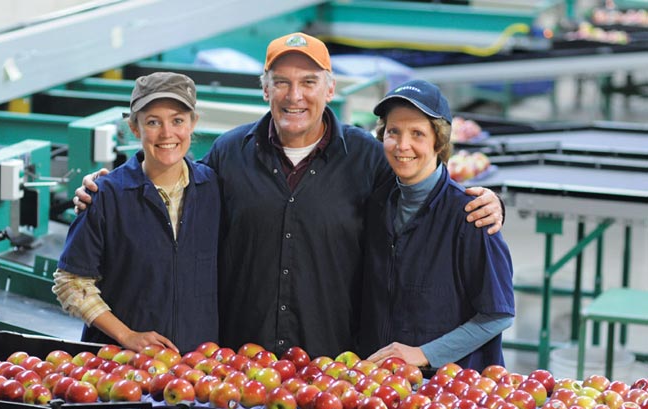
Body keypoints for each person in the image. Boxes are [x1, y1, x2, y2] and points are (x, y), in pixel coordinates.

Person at [74, 33, 504, 359]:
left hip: (334, 359)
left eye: (308, 82)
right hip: (240, 357)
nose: (294, 95)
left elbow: (421, 196)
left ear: (330, 89)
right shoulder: (228, 152)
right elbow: (172, 176)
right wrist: (106, 186)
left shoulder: (368, 159)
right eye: (281, 82)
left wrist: (486, 201)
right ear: (265, 89)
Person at [53, 72, 220, 353]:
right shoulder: (106, 194)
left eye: (178, 120)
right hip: (121, 366)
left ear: (193, 123)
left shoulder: (214, 189)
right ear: (134, 128)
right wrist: (127, 336)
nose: (167, 133)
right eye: (153, 122)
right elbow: (70, 282)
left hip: (197, 367)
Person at [361, 79, 515, 371]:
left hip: (455, 392)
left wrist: (424, 354)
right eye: (393, 132)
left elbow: (498, 314)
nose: (402, 145)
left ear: (439, 141)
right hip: (388, 384)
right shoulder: (377, 204)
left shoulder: (471, 213)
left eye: (417, 133)